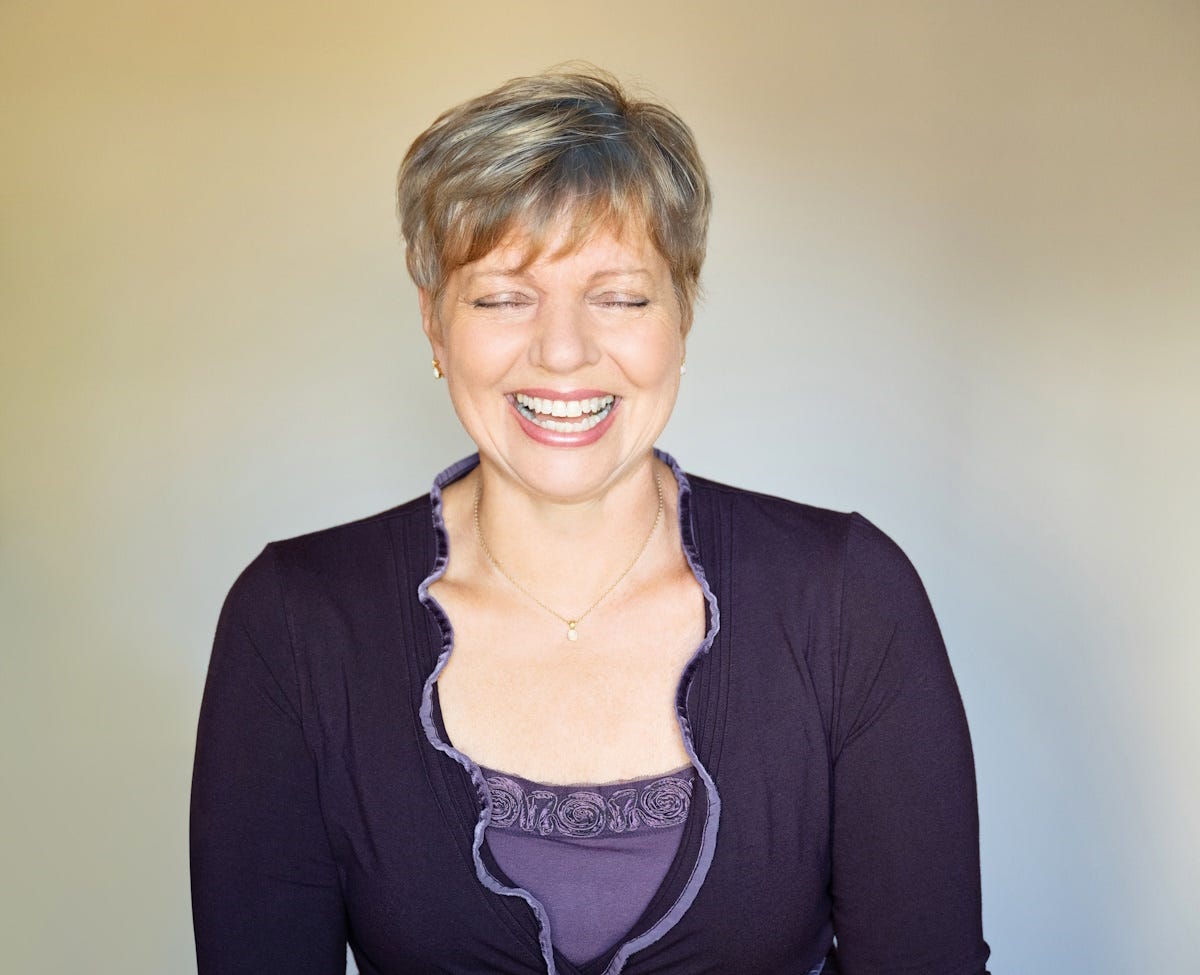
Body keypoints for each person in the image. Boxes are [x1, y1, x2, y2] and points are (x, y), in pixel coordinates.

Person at [190, 68, 991, 975]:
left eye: (619, 297)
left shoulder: (846, 598)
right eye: (501, 296)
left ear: (683, 316)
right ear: (434, 325)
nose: (563, 352)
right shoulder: (295, 622)